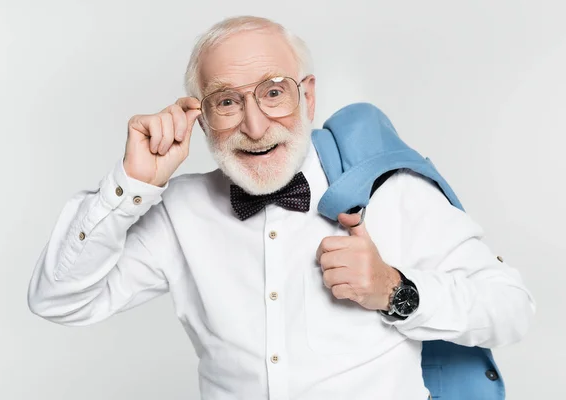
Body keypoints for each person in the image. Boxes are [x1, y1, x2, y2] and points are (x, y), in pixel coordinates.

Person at [27, 16, 535, 400]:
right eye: (227, 101)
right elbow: (59, 300)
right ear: (200, 118)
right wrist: (131, 184)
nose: (254, 124)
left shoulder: (389, 190)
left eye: (274, 93)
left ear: (308, 97)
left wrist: (394, 290)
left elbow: (512, 310)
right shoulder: (179, 213)